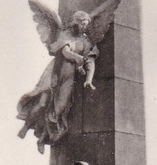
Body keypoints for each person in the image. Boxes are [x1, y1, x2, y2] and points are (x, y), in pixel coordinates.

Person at [17, 11, 98, 153]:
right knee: (42, 104)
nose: (83, 27)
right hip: (54, 72)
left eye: (86, 25)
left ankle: (42, 140)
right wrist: (77, 58)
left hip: (69, 77)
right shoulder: (64, 33)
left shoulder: (85, 41)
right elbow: (66, 52)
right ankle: (26, 125)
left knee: (58, 110)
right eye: (81, 24)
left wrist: (88, 80)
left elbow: (90, 61)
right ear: (76, 22)